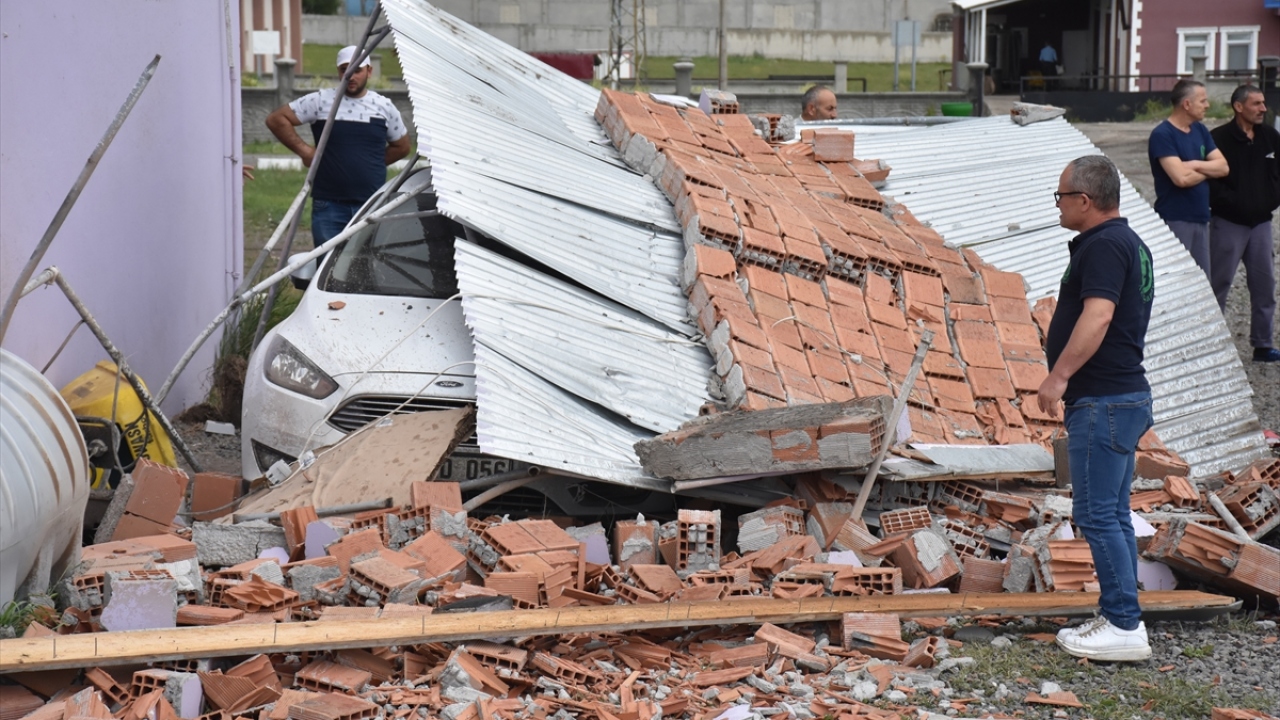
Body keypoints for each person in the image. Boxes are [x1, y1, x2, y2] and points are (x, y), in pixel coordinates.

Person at [1039, 155, 1155, 663]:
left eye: (1061, 196)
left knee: (1097, 515)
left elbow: (1100, 314)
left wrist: (1059, 375)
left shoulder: (1106, 245)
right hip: (1120, 397)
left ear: (1084, 200)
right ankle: (1121, 613)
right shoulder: (1126, 241)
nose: (1058, 204)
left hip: (1103, 398)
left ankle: (1124, 626)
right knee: (1114, 514)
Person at [266, 45, 411, 248]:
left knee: (366, 266)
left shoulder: (383, 106)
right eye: (345, 69)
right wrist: (305, 151)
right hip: (329, 205)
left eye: (357, 70)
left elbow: (402, 146)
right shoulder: (321, 100)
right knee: (326, 266)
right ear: (338, 72)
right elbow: (276, 119)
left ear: (369, 71)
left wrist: (371, 162)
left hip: (371, 204)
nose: (350, 75)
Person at [1207, 85, 1280, 363]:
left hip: (1261, 224)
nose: (1263, 108)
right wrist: (1232, 203)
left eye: (1263, 103)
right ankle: (1210, 344)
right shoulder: (1219, 139)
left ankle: (1263, 345)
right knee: (1218, 283)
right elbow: (1210, 181)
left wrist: (1271, 199)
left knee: (1264, 285)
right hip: (1228, 223)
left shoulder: (1271, 138)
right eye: (1257, 103)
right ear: (1239, 106)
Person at [1148, 78, 1229, 274]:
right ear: (1186, 104)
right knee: (1179, 278)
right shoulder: (1163, 135)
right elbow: (1181, 179)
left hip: (1201, 217)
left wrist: (1194, 164)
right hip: (1176, 219)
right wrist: (1209, 170)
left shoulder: (1200, 130)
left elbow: (1224, 167)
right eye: (1202, 101)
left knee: (1202, 281)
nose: (1207, 105)